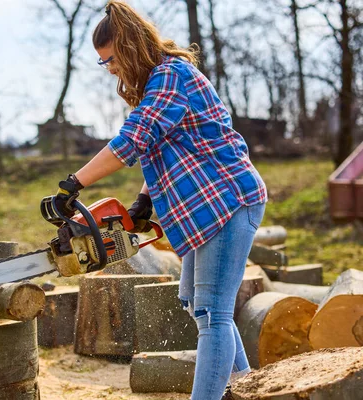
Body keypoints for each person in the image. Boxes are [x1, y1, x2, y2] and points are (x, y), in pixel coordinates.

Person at [53, 1, 267, 399]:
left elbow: (134, 139)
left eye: (112, 59)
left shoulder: (172, 75)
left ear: (132, 46)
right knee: (196, 304)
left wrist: (73, 184)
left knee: (213, 313)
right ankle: (246, 388)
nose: (111, 69)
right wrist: (144, 202)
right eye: (104, 64)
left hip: (228, 200)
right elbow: (165, 148)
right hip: (204, 209)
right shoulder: (159, 84)